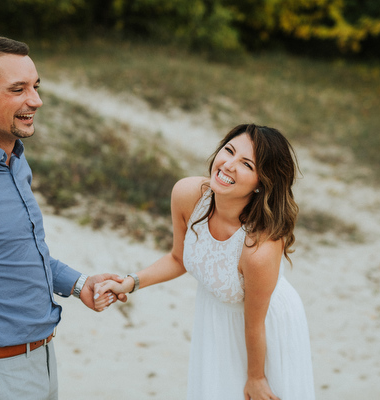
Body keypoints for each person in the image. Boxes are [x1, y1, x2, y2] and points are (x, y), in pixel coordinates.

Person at [0, 36, 125, 400]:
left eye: (35, 87)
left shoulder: (16, 162)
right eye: (17, 89)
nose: (35, 100)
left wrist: (80, 284)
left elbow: (20, 252)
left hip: (43, 361)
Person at [95, 124, 316, 400]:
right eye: (229, 150)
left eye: (246, 164)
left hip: (263, 328)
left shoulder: (259, 247)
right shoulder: (188, 195)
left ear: (262, 182)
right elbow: (178, 258)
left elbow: (254, 323)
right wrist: (130, 282)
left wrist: (256, 377)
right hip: (214, 320)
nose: (229, 165)